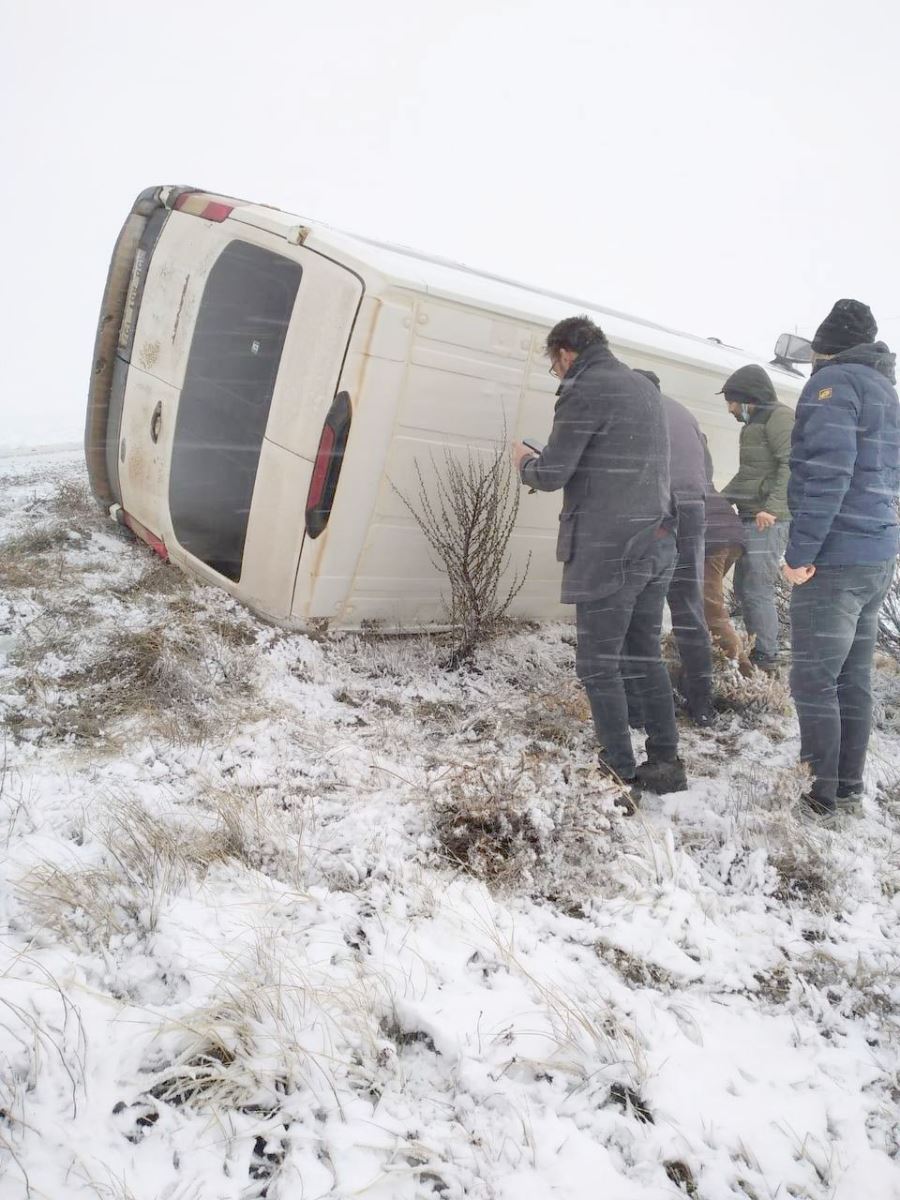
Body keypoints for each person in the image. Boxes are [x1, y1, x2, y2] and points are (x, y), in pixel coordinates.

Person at [511, 316, 686, 799]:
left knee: (597, 663)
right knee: (641, 654)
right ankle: (666, 761)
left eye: (554, 365)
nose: (558, 374)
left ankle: (618, 772)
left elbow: (552, 475)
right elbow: (610, 462)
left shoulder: (584, 388)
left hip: (613, 551)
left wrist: (525, 461)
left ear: (565, 353)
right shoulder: (641, 387)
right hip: (657, 540)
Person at [782, 299, 899, 822]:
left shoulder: (832, 386)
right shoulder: (886, 391)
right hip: (876, 553)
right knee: (852, 678)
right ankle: (847, 788)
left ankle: (819, 797)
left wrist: (801, 553)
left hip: (835, 557)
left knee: (814, 679)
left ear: (824, 347)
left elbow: (829, 474)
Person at [633, 369, 715, 724]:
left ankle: (640, 705)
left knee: (641, 606)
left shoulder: (634, 409)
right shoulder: (684, 412)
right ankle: (702, 705)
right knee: (688, 607)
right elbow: (706, 471)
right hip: (693, 510)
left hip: (657, 511)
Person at [717, 364, 794, 672]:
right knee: (743, 588)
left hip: (769, 519)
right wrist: (718, 501)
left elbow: (791, 464)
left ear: (750, 398)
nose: (731, 408)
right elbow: (750, 475)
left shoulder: (780, 417)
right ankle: (753, 650)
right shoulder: (753, 425)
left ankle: (766, 658)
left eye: (733, 401)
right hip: (751, 516)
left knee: (756, 588)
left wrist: (773, 508)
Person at [702, 442, 752, 674]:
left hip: (714, 540)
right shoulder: (696, 470)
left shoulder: (673, 471)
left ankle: (744, 672)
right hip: (731, 534)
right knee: (701, 603)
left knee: (710, 609)